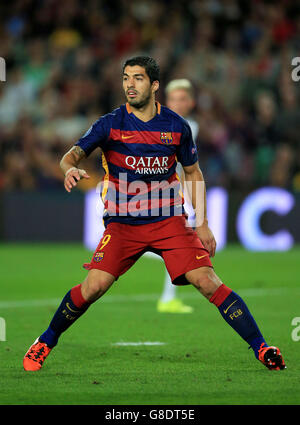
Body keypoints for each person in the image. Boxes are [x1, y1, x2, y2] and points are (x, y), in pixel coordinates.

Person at [23, 56, 286, 372]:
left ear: (154, 84)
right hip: (123, 224)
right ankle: (44, 342)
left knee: (208, 282)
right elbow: (71, 156)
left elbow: (193, 172)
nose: (129, 85)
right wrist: (69, 168)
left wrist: (201, 222)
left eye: (137, 78)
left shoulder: (176, 126)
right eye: (125, 78)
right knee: (93, 287)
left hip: (168, 221)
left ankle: (262, 348)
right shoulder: (110, 123)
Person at [157, 78, 199, 313]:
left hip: (172, 193)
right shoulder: (159, 123)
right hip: (154, 192)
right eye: (173, 99)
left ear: (191, 102)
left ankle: (167, 298)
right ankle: (167, 299)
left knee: (177, 243)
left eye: (182, 99)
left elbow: (186, 167)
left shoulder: (189, 126)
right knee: (176, 243)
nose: (177, 103)